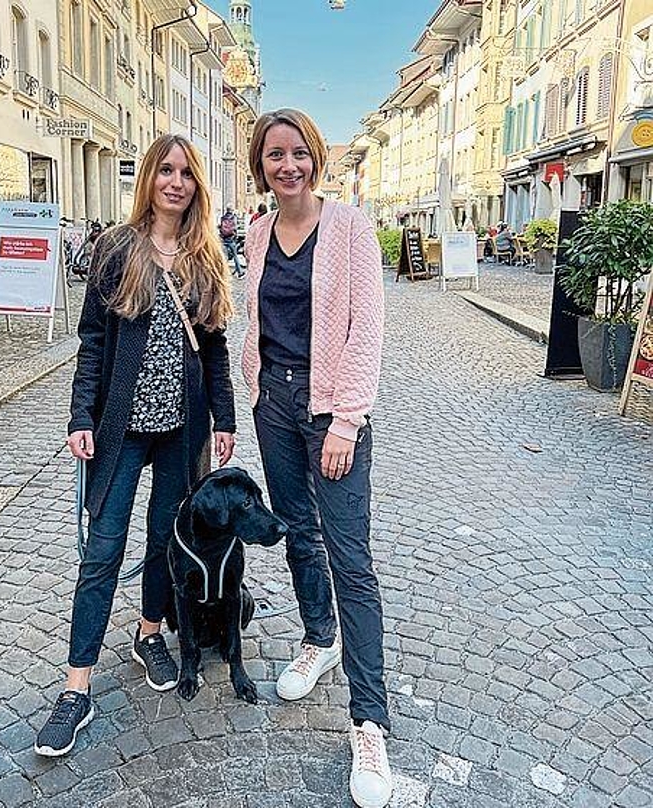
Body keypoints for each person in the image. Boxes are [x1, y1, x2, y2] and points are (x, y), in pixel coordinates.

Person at [34, 134, 236, 758]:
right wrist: (80, 416)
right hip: (121, 428)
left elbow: (218, 348)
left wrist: (224, 420)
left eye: (186, 173)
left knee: (163, 541)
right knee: (102, 549)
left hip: (184, 428)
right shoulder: (116, 249)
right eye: (165, 170)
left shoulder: (207, 256)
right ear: (148, 177)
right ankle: (76, 687)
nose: (175, 182)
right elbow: (92, 341)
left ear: (197, 185)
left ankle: (150, 631)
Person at [242, 108, 392, 808]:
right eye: (276, 155)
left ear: (316, 159)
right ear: (260, 165)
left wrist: (346, 421)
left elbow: (365, 331)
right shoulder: (257, 230)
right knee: (297, 533)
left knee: (350, 558)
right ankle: (317, 638)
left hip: (332, 411)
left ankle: (369, 723)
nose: (289, 165)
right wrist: (253, 390)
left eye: (299, 153)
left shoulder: (352, 228)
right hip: (273, 405)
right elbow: (256, 320)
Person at [219, 206, 244, 278]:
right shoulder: (233, 218)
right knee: (235, 256)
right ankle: (240, 272)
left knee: (224, 257)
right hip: (231, 239)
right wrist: (235, 236)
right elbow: (235, 228)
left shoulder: (223, 218)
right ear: (231, 210)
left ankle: (223, 272)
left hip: (224, 239)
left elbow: (220, 226)